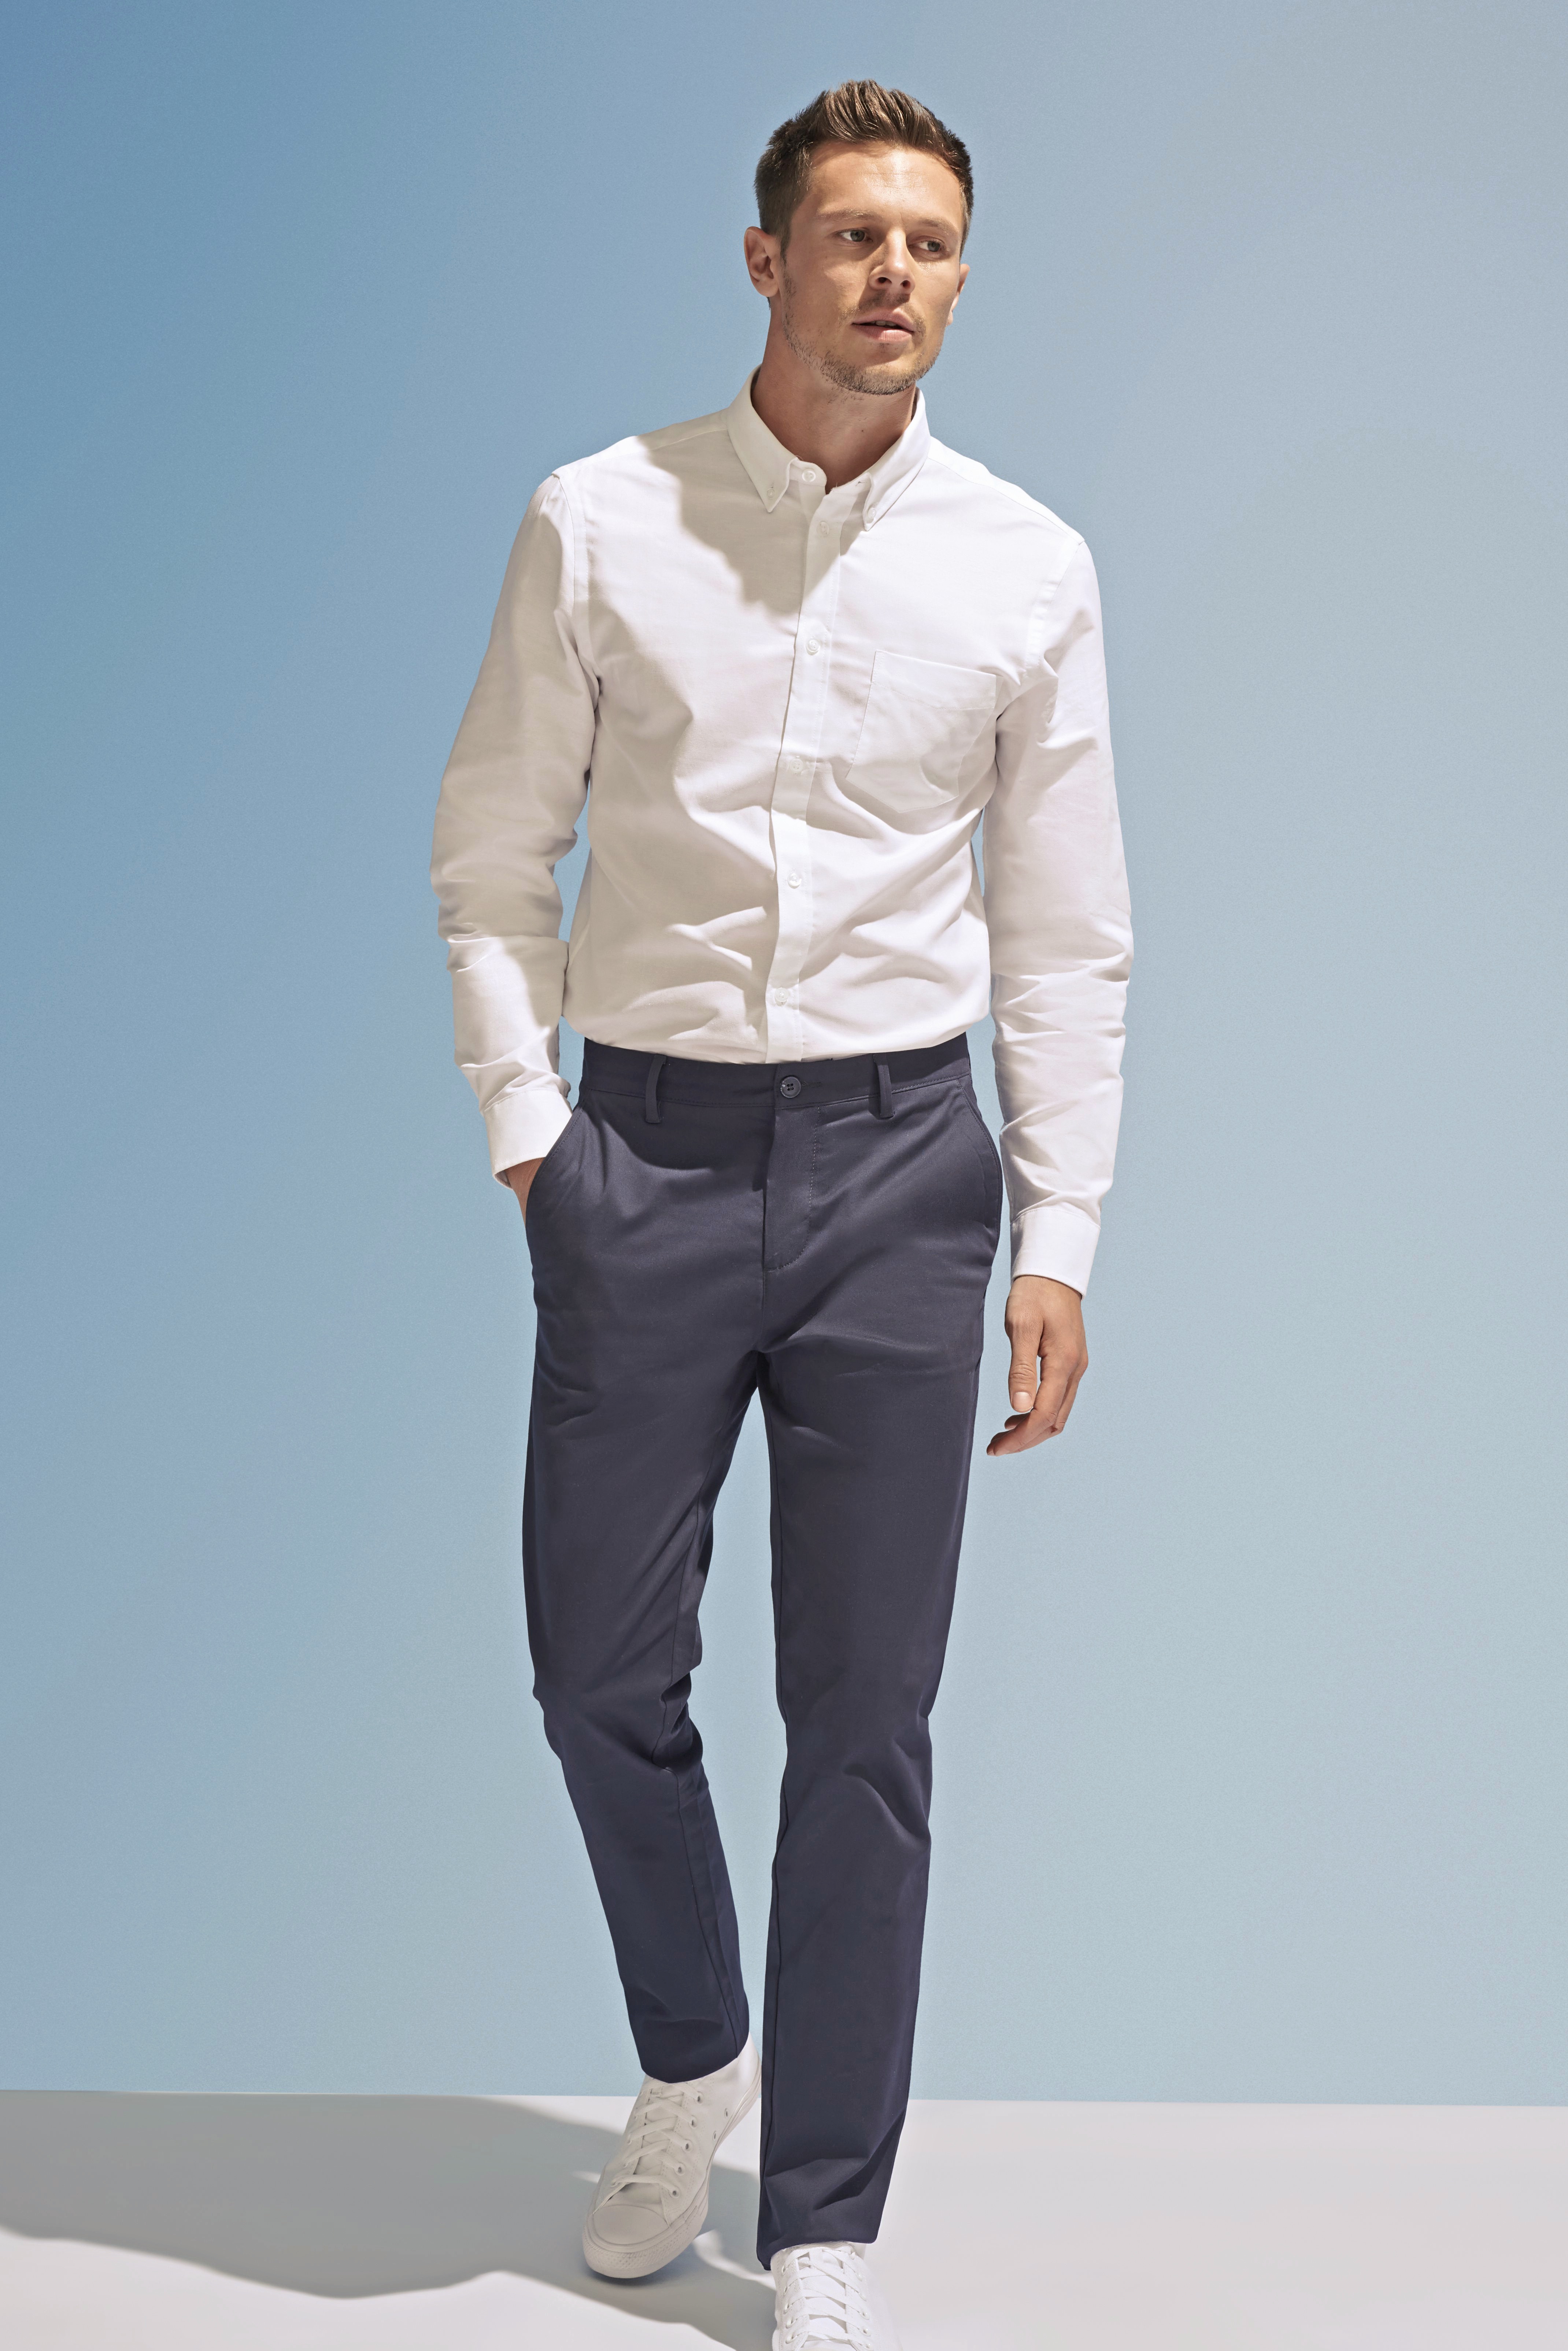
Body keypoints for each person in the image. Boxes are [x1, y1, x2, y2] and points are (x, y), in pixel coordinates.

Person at [430, 78, 1131, 2351]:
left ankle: (822, 2212)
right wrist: (532, 1129)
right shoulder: (601, 521)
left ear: (960, 275)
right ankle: (690, 2054)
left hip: (902, 1177)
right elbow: (490, 847)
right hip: (637, 1158)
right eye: (849, 234)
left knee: (864, 1717)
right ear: (766, 261)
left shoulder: (1024, 566)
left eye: (926, 241)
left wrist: (1057, 1234)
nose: (890, 273)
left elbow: (1065, 932)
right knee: (594, 1674)